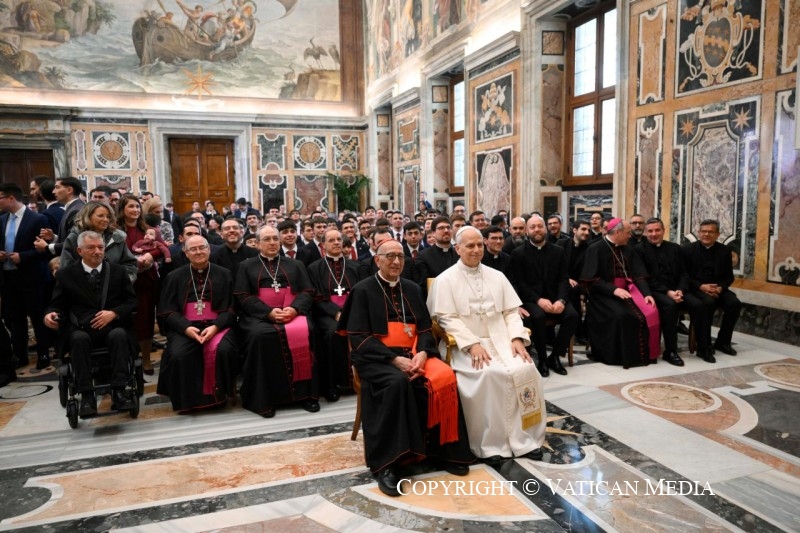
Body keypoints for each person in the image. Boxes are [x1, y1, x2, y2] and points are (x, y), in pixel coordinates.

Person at [339, 238, 473, 496]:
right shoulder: (363, 290)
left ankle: (443, 452)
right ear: (377, 260)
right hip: (376, 359)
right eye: (389, 256)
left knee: (444, 378)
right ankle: (389, 465)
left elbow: (424, 329)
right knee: (396, 383)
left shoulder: (411, 288)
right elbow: (357, 336)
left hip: (413, 355)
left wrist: (423, 352)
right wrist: (393, 359)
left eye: (400, 256)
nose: (396, 261)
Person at [428, 227, 545, 464]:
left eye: (479, 245)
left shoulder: (497, 276)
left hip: (502, 340)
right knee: (489, 374)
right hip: (464, 345)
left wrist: (516, 338)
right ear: (457, 248)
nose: (476, 250)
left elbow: (511, 311)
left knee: (525, 369)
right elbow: (446, 319)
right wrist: (471, 344)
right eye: (469, 246)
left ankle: (526, 440)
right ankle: (491, 444)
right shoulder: (445, 280)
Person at [44, 231, 137, 417]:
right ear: (79, 250)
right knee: (78, 340)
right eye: (91, 248)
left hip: (112, 326)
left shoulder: (117, 272)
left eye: (100, 247)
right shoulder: (66, 274)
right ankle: (86, 394)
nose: (97, 252)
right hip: (80, 328)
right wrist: (50, 314)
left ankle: (119, 391)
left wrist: (114, 313)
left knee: (119, 336)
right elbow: (57, 304)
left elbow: (131, 301)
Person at [235, 225, 319, 417]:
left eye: (275, 239)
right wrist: (268, 313)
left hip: (292, 313)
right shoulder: (246, 266)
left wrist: (295, 309)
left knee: (308, 330)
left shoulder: (295, 265)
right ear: (257, 243)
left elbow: (307, 291)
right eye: (267, 239)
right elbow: (243, 296)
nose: (272, 243)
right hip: (260, 317)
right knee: (261, 336)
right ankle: (266, 399)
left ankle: (306, 395)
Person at [157, 235, 240, 412]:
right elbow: (167, 310)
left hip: (217, 326)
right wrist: (186, 328)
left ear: (209, 249)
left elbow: (232, 308)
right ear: (186, 253)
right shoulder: (174, 277)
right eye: (193, 249)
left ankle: (221, 396)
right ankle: (187, 401)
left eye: (202, 248)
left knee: (224, 350)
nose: (198, 252)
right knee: (178, 353)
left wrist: (216, 326)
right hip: (185, 327)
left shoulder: (224, 274)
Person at [580, 218, 660, 368]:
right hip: (603, 295)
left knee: (651, 311)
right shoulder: (595, 248)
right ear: (617, 232)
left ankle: (648, 354)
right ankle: (620, 356)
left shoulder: (628, 249)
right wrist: (614, 290)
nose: (630, 236)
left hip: (629, 291)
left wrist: (647, 294)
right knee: (622, 315)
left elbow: (639, 275)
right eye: (627, 233)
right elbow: (591, 280)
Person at [511, 215, 576, 377]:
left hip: (555, 298)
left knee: (572, 315)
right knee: (538, 317)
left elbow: (563, 278)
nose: (537, 230)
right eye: (532, 227)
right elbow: (521, 283)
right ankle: (542, 359)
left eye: (540, 226)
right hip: (532, 299)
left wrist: (561, 300)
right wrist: (538, 300)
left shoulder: (558, 251)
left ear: (545, 229)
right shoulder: (518, 253)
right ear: (527, 231)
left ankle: (554, 356)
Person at [635, 218, 705, 366]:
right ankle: (670, 351)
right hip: (654, 291)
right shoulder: (639, 250)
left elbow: (684, 273)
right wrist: (668, 292)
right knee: (670, 306)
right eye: (650, 231)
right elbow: (645, 277)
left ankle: (703, 347)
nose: (654, 234)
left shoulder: (675, 248)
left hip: (677, 289)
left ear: (663, 231)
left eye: (657, 230)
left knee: (698, 305)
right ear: (645, 232)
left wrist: (680, 290)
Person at [0, 182, 52, 370]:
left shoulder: (37, 219)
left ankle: (43, 353)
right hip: (8, 278)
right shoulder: (2, 219)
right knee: (15, 318)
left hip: (32, 277)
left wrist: (23, 256)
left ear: (11, 198)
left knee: (38, 317)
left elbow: (45, 250)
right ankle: (20, 355)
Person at [307, 229, 362, 402]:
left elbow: (362, 293)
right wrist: (336, 313)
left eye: (339, 239)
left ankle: (362, 380)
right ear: (323, 246)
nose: (337, 243)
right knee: (332, 334)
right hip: (326, 315)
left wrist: (350, 312)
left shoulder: (355, 266)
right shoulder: (314, 268)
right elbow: (315, 296)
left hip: (354, 311)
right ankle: (332, 385)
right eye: (332, 240)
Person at [683, 219, 741, 359]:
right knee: (707, 304)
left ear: (717, 234)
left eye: (710, 232)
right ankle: (704, 347)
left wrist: (721, 288)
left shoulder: (725, 251)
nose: (706, 234)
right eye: (703, 231)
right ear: (699, 233)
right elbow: (684, 275)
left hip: (717, 289)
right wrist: (701, 286)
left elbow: (729, 276)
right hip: (695, 288)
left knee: (734, 304)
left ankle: (723, 342)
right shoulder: (687, 250)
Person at [117, 194, 162, 375]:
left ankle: (145, 359)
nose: (135, 210)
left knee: (146, 320)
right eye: (131, 207)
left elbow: (162, 246)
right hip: (124, 283)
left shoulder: (148, 230)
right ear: (122, 209)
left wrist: (152, 255)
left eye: (137, 207)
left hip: (146, 282)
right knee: (127, 320)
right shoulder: (115, 231)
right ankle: (128, 357)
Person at [60, 201, 138, 284]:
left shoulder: (117, 238)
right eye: (100, 216)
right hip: (83, 292)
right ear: (88, 217)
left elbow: (130, 265)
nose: (105, 220)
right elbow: (66, 267)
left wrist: (122, 281)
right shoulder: (75, 237)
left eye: (108, 217)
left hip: (114, 292)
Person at [415, 215, 457, 291]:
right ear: (433, 233)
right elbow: (423, 285)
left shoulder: (460, 253)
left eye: (448, 227)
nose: (446, 230)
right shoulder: (423, 256)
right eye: (441, 228)